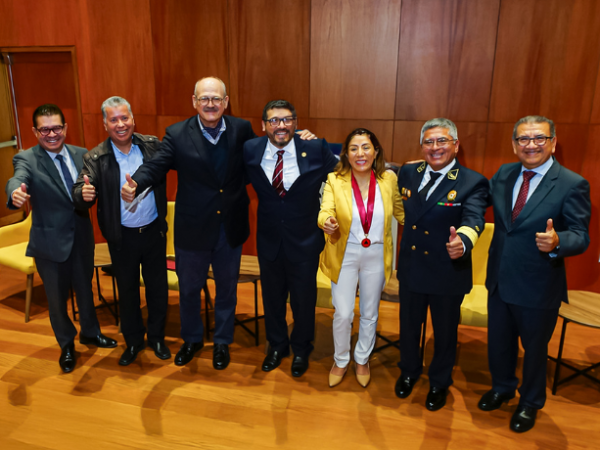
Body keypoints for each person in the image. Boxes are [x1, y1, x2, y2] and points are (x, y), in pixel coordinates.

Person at [121, 78, 314, 370]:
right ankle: (191, 340)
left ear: (225, 102)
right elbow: (156, 165)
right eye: (204, 99)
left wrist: (299, 138)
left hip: (229, 227)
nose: (210, 104)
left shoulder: (241, 129)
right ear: (194, 101)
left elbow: (269, 148)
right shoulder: (176, 133)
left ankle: (223, 342)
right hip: (192, 228)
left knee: (226, 290)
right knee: (189, 291)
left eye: (216, 99)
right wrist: (136, 182)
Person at [478, 115, 590, 433]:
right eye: (524, 139)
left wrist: (558, 241)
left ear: (553, 142)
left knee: (534, 350)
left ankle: (530, 402)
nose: (531, 145)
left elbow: (581, 235)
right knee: (499, 344)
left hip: (539, 284)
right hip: (500, 278)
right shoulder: (504, 173)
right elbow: (475, 196)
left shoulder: (572, 183)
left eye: (539, 138)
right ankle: (502, 387)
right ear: (515, 145)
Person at [5, 104, 117, 373]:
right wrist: (15, 193)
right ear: (35, 132)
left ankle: (90, 333)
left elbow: (92, 188)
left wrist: (94, 195)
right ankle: (66, 345)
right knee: (56, 300)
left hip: (81, 237)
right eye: (44, 130)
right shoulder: (26, 158)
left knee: (85, 290)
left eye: (56, 128)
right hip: (49, 243)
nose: (51, 134)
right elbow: (17, 179)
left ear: (65, 128)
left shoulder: (82, 154)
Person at [395, 118, 489, 411]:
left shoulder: (472, 181)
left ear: (456, 145)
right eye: (429, 142)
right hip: (412, 266)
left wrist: (464, 240)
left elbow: (474, 218)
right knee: (409, 326)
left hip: (447, 270)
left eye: (442, 141)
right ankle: (409, 371)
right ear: (421, 146)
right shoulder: (408, 172)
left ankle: (439, 382)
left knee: (445, 332)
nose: (435, 147)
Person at [243, 100, 338, 377]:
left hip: (305, 239)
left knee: (303, 299)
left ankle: (301, 349)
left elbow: (345, 173)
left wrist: (390, 170)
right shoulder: (250, 149)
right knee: (272, 297)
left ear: (295, 123)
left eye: (286, 119)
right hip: (269, 238)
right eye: (274, 120)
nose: (280, 125)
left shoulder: (315, 148)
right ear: (264, 125)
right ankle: (276, 346)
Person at [72, 96, 169, 366]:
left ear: (133, 119)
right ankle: (134, 341)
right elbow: (80, 189)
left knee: (157, 289)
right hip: (122, 237)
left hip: (153, 232)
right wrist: (83, 194)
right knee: (127, 293)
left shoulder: (152, 146)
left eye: (124, 118)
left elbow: (177, 159)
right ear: (105, 124)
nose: (120, 124)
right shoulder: (95, 157)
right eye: (113, 119)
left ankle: (157, 338)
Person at [318, 128, 404, 388]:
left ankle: (362, 358)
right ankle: (341, 359)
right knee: (343, 313)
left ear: (375, 151)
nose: (360, 153)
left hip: (376, 253)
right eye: (353, 148)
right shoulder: (335, 179)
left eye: (366, 147)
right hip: (345, 252)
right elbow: (325, 210)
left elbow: (401, 212)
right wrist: (327, 222)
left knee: (370, 312)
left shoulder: (388, 179)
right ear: (346, 154)